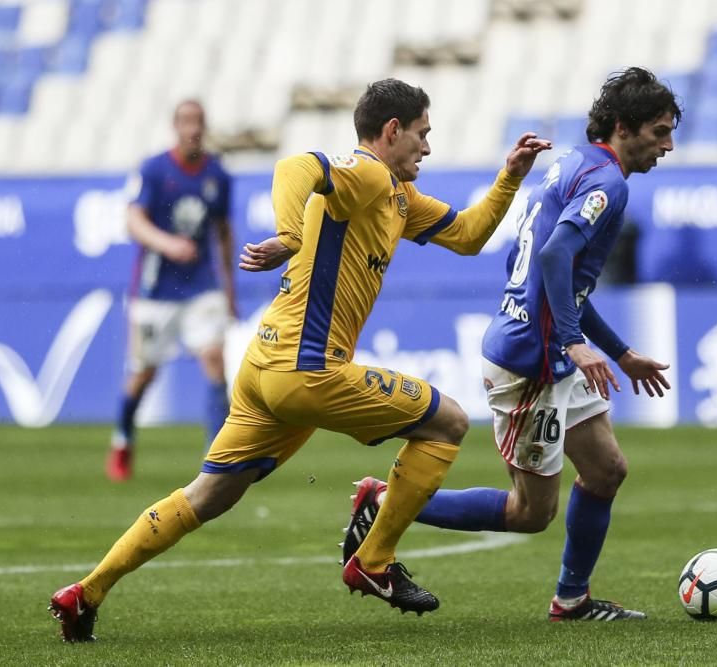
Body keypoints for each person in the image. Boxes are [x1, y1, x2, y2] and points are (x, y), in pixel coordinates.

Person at [48, 78, 551, 642]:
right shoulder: (365, 173)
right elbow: (292, 168)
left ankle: (85, 592)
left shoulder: (399, 197)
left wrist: (510, 175)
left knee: (206, 494)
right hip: (306, 367)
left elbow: (467, 235)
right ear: (391, 132)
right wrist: (290, 236)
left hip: (265, 364)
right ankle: (375, 559)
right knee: (448, 423)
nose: (427, 149)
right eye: (421, 135)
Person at [341, 67, 680, 621]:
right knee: (529, 513)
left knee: (606, 471)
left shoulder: (573, 163)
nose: (667, 145)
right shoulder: (607, 183)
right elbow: (552, 259)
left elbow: (561, 278)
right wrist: (573, 343)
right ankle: (383, 501)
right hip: (532, 362)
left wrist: (617, 351)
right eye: (659, 131)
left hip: (547, 348)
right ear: (624, 126)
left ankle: (572, 600)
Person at [107, 99, 237, 481]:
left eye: (198, 121)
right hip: (156, 290)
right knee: (144, 373)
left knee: (214, 358)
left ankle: (218, 454)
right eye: (185, 121)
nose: (192, 128)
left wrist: (229, 287)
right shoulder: (154, 169)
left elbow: (224, 233)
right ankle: (122, 439)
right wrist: (168, 244)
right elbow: (133, 220)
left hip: (202, 285)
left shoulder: (217, 175)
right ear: (174, 126)